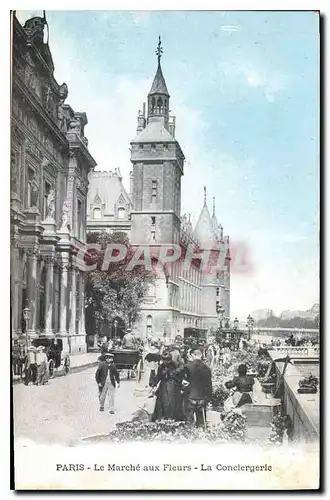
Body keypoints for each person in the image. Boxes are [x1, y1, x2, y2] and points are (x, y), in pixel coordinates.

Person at [183, 347, 212, 427]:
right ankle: (201, 436)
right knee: (201, 422)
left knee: (189, 421)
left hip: (190, 396)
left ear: (192, 355)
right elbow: (209, 385)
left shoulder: (188, 366)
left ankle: (189, 436)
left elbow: (181, 379)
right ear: (201, 355)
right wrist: (208, 398)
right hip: (202, 397)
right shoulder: (206, 368)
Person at [151, 352, 184, 422]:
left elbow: (179, 375)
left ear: (170, 360)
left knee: (172, 401)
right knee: (162, 401)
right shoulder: (161, 366)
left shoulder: (175, 365)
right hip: (163, 386)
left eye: (167, 360)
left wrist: (170, 373)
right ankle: (162, 417)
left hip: (173, 386)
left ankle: (172, 417)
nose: (165, 361)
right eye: (163, 360)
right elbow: (158, 376)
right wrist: (154, 383)